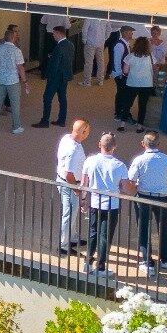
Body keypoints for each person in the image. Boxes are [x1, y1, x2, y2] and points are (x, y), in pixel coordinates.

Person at [80, 133, 131, 277]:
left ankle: (88, 263)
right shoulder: (120, 165)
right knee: (105, 236)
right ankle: (101, 267)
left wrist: (83, 200)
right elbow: (126, 189)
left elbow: (84, 184)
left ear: (99, 144)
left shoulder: (90, 161)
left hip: (94, 202)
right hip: (111, 205)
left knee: (93, 232)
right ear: (114, 146)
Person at [128, 132, 167, 273]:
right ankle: (165, 260)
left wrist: (137, 185)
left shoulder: (139, 160)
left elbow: (131, 183)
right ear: (159, 144)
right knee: (163, 227)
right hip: (162, 198)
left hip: (143, 197)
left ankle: (147, 262)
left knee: (143, 228)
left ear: (143, 143)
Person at [55, 119, 90, 255]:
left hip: (64, 181)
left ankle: (73, 237)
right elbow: (68, 174)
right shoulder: (74, 149)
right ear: (84, 132)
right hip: (69, 185)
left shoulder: (67, 138)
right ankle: (63, 245)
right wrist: (76, 189)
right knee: (69, 214)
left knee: (72, 213)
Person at [0, 23, 29, 134]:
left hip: (0, 79)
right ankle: (16, 127)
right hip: (13, 81)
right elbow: (20, 68)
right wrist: (25, 81)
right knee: (15, 104)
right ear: (13, 38)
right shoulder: (16, 51)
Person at [37, 24, 74, 127]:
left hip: (55, 77)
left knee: (47, 97)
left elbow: (55, 64)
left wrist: (48, 76)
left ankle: (45, 121)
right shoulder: (70, 44)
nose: (53, 35)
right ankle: (62, 120)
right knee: (62, 98)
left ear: (59, 34)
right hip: (65, 76)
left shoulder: (59, 46)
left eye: (54, 33)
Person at [121, 35, 157, 129]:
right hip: (146, 84)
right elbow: (154, 69)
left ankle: (122, 124)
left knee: (127, 104)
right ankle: (139, 126)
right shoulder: (151, 57)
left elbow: (125, 71)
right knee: (142, 106)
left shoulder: (130, 56)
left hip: (132, 83)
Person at [110, 26, 135, 126]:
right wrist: (120, 74)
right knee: (122, 93)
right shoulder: (119, 45)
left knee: (121, 93)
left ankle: (119, 112)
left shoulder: (126, 44)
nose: (132, 34)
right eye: (130, 32)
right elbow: (117, 61)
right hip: (120, 74)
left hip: (123, 73)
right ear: (124, 33)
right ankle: (119, 113)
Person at [81, 17, 111, 86]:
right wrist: (104, 38)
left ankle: (87, 81)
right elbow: (109, 29)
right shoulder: (105, 17)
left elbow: (84, 29)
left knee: (89, 63)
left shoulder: (89, 17)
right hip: (100, 43)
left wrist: (84, 40)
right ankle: (100, 80)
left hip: (90, 43)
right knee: (100, 61)